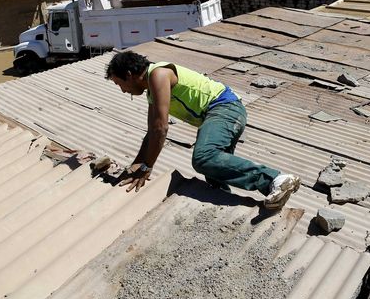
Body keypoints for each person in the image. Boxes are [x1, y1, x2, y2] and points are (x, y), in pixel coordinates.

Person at [105, 51, 300, 210]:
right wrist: (136, 165)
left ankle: (276, 179)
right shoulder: (151, 92)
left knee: (203, 158)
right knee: (214, 175)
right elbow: (151, 133)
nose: (123, 90)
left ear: (129, 75)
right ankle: (236, 205)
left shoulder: (158, 74)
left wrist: (147, 167)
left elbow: (160, 128)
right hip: (217, 114)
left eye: (119, 84)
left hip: (224, 108)